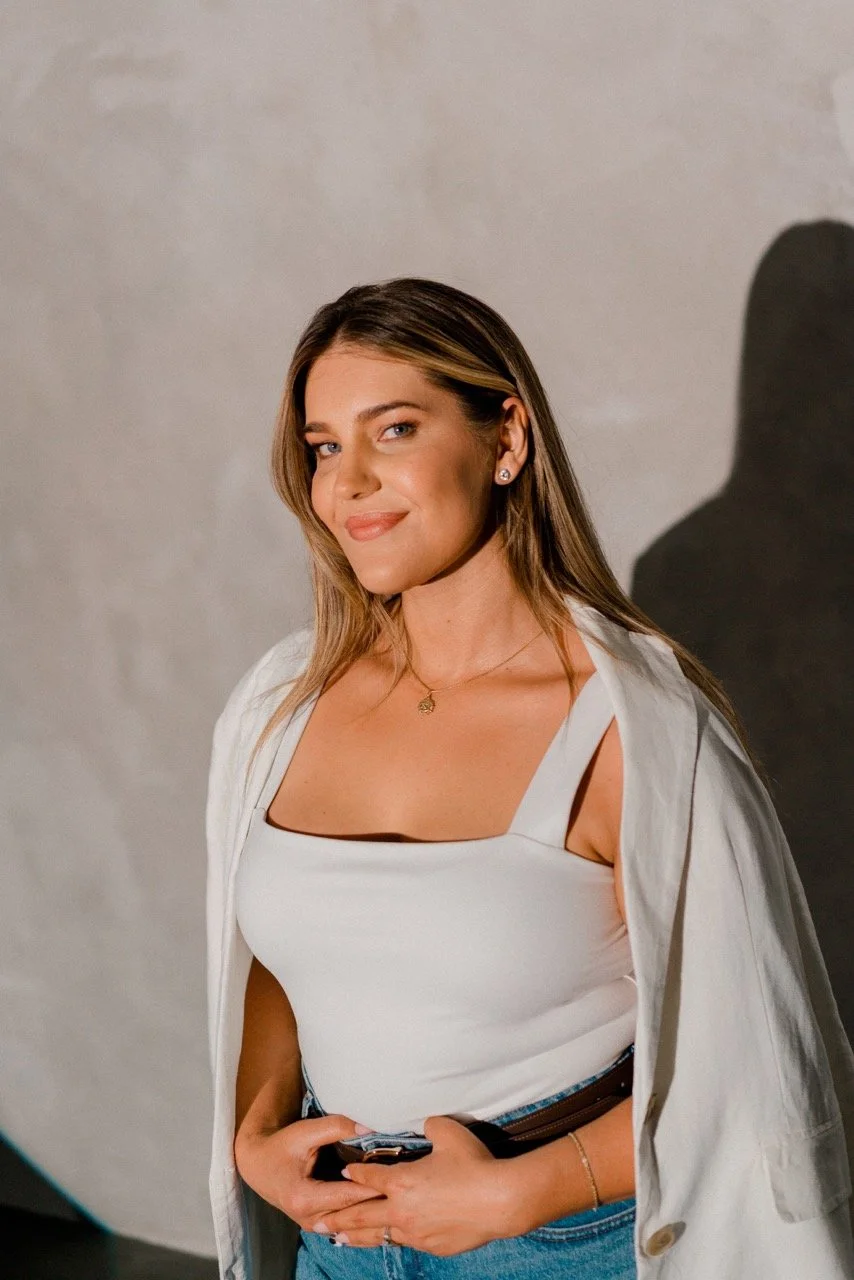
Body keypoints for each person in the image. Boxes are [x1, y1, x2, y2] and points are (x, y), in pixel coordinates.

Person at [205, 277, 854, 1280]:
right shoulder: (281, 701)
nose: (348, 481)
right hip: (342, 1242)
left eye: (394, 429)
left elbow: (753, 1054)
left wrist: (524, 1189)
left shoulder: (633, 724)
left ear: (504, 438)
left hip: (559, 1246)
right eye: (325, 444)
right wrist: (255, 1137)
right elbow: (284, 956)